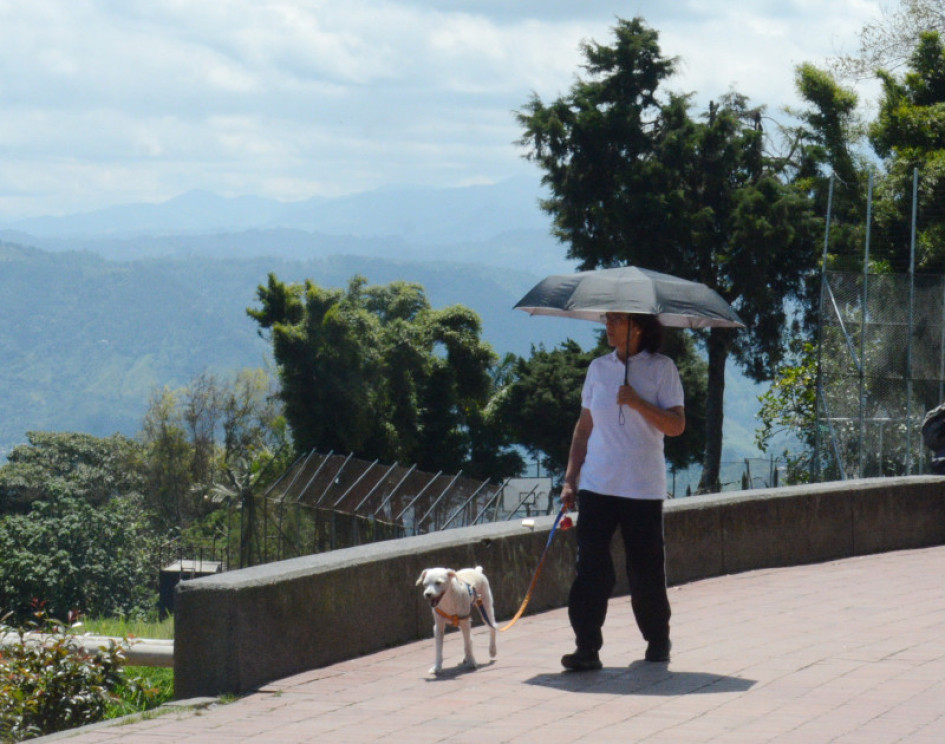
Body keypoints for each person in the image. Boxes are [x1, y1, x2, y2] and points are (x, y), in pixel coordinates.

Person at [560, 312, 685, 671]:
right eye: (607, 319)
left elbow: (677, 425)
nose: (608, 326)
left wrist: (638, 402)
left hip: (642, 489)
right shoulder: (598, 369)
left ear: (639, 327)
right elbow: (584, 428)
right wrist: (571, 478)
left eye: (617, 320)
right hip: (598, 486)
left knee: (645, 570)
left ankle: (657, 639)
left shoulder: (662, 369)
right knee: (591, 569)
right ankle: (586, 647)